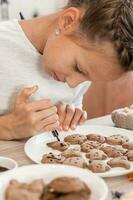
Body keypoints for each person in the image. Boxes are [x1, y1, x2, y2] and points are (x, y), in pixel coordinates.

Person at [0, 0, 132, 140]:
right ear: (67, 21)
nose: (73, 84)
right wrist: (8, 128)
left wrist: (68, 118)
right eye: (79, 68)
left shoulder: (79, 72)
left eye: (89, 79)